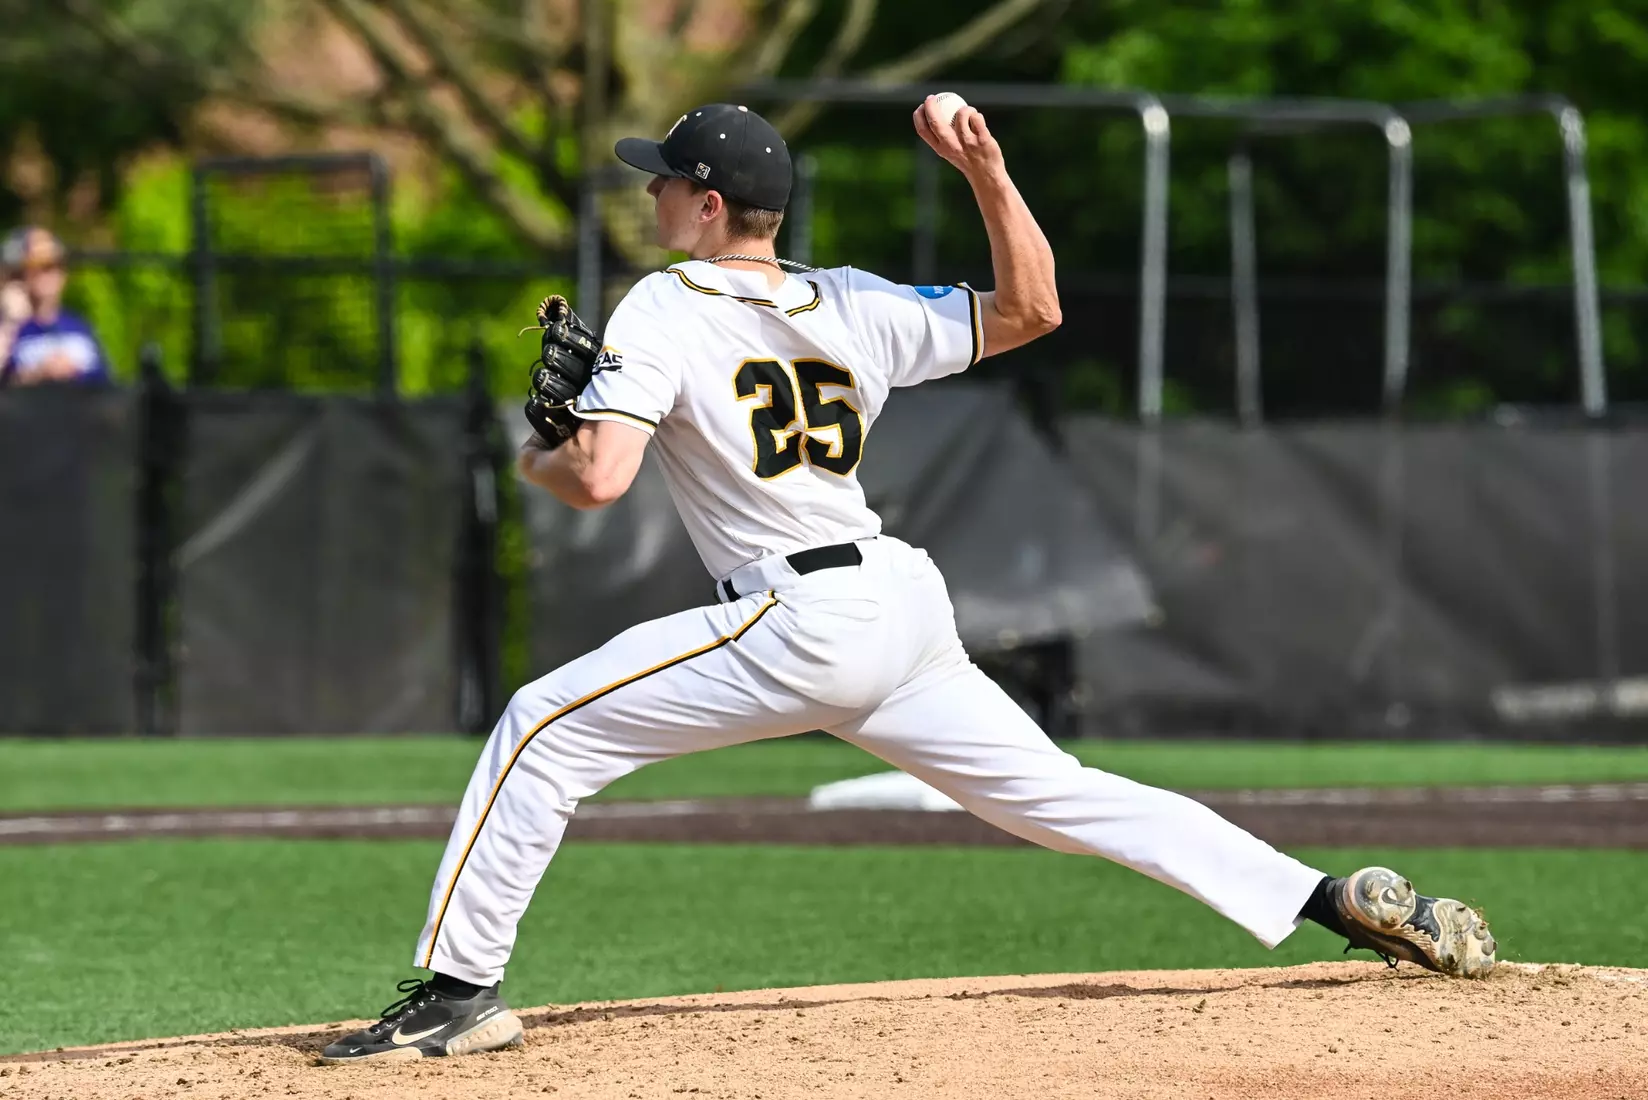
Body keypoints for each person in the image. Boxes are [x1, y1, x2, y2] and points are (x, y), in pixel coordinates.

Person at [320, 100, 1496, 1064]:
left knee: (539, 726)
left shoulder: (665, 304)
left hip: (797, 615)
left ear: (709, 203)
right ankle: (1328, 897)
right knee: (1063, 794)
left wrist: (546, 441)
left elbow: (598, 482)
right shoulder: (855, 300)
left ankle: (458, 993)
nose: (650, 196)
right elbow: (1032, 307)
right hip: (899, 603)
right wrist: (987, 172)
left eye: (664, 180)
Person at [0, 228, 111, 388]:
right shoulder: (11, 329)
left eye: (52, 266)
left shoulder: (79, 327)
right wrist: (38, 374)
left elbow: (105, 382)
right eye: (34, 267)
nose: (46, 276)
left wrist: (73, 372)